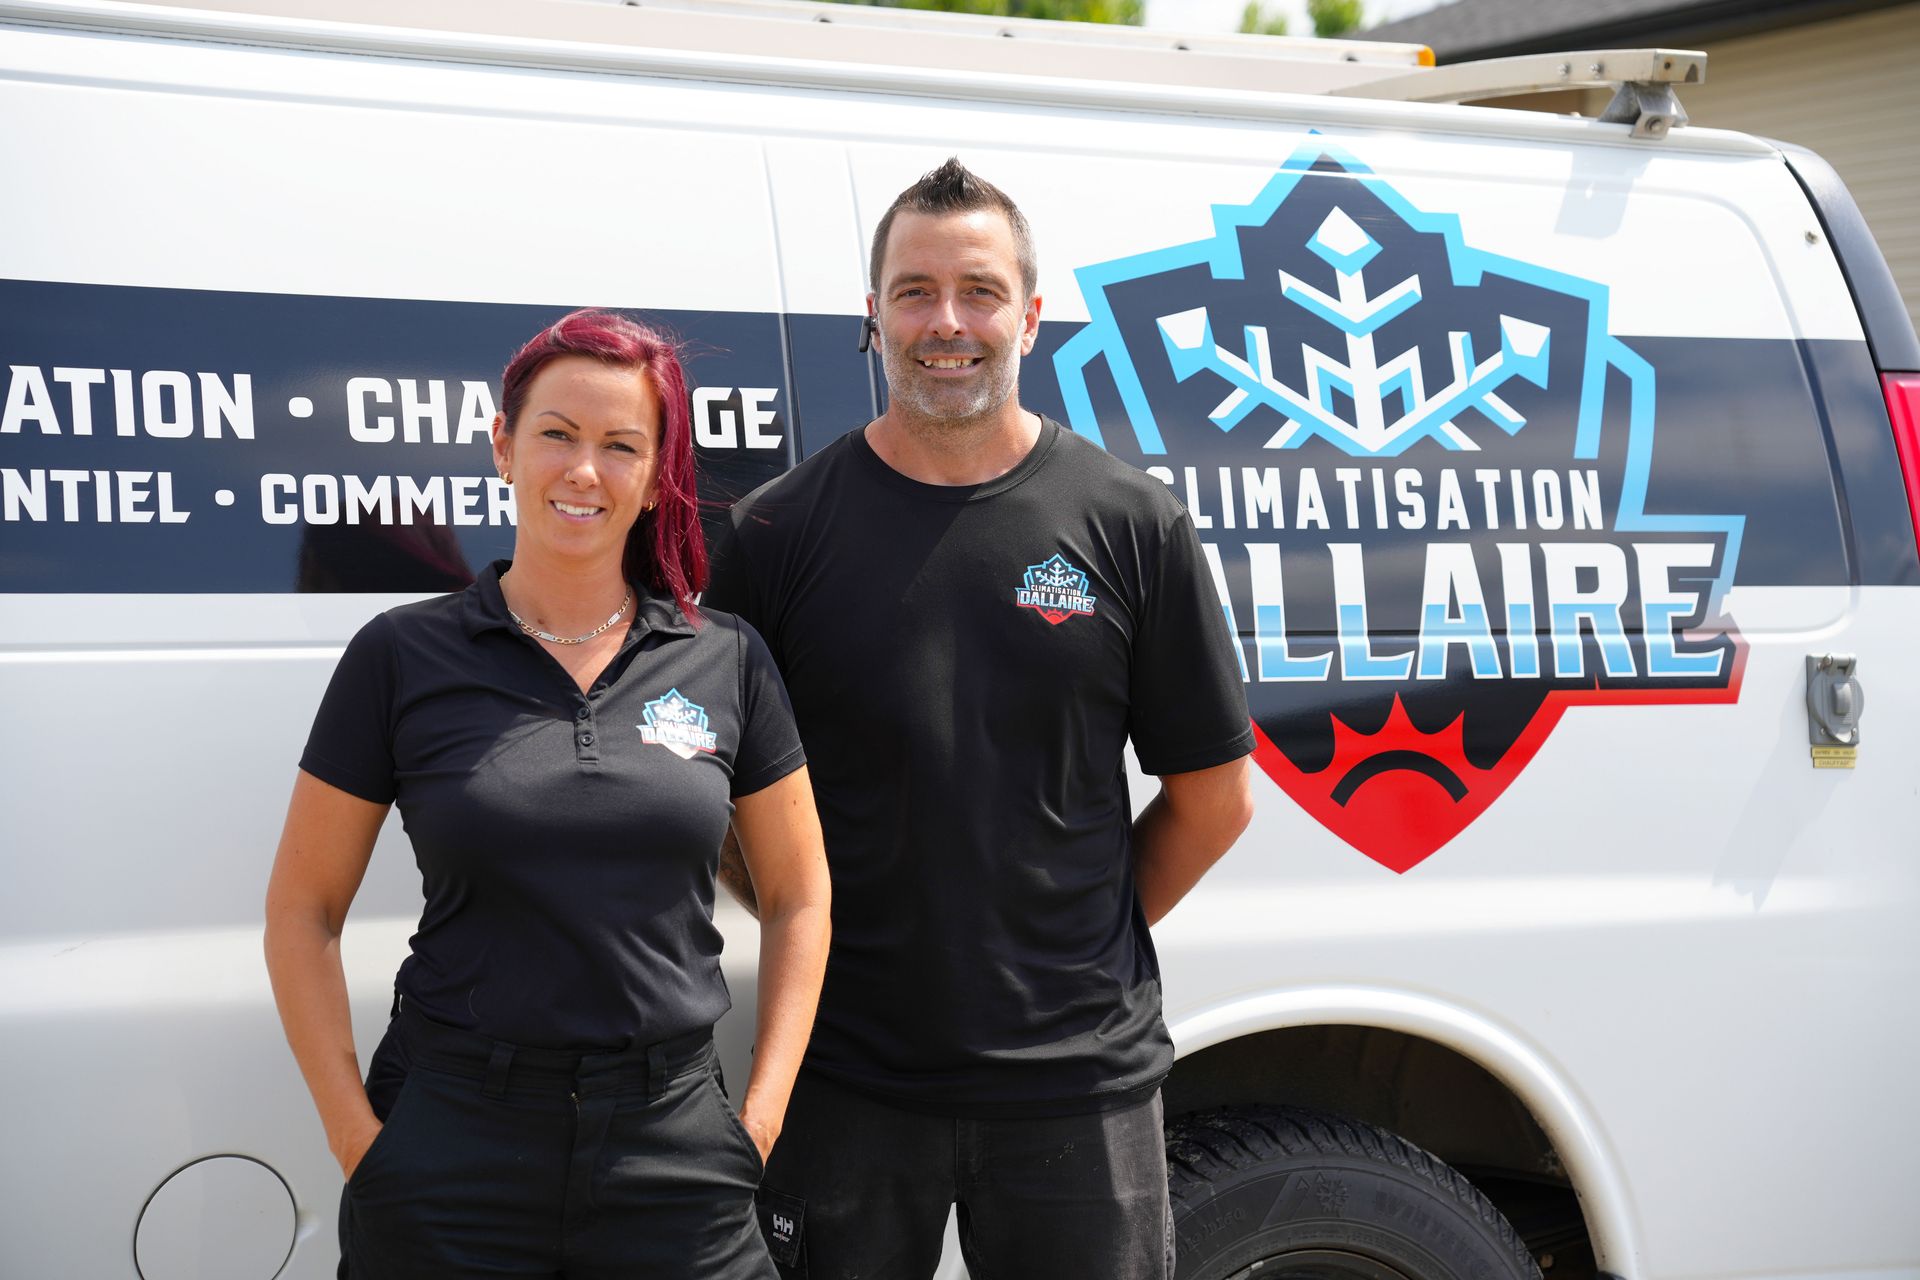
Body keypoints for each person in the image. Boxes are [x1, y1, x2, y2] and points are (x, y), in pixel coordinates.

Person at [703, 159, 1255, 1280]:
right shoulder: (775, 535)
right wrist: (816, 930)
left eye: (979, 290)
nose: (945, 322)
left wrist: (1073, 935)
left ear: (1030, 315)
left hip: (1080, 1086)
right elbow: (711, 800)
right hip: (844, 1074)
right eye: (913, 290)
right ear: (871, 316)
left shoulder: (1130, 522)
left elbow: (1213, 797)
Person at [264, 309, 831, 1279]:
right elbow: (301, 910)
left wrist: (759, 1120)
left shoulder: (724, 658)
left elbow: (800, 894)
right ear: (503, 446)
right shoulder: (402, 656)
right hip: (451, 1141)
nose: (584, 470)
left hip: (674, 1143)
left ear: (656, 477)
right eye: (557, 434)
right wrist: (359, 1139)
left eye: (621, 445)